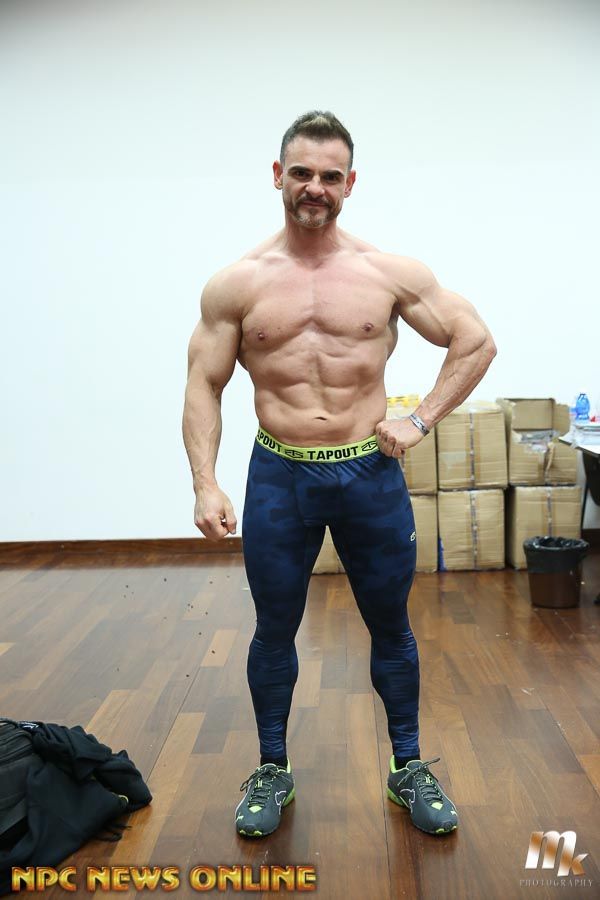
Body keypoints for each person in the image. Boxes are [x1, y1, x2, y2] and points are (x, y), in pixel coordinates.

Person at [182, 111, 497, 840]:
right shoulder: (236, 284)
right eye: (302, 173)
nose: (315, 188)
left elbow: (476, 342)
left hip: (369, 475)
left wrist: (420, 420)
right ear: (278, 176)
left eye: (330, 176)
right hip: (280, 477)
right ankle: (272, 768)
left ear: (350, 183)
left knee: (391, 625)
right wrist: (205, 482)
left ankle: (408, 766)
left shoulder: (388, 273)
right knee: (273, 630)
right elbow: (203, 383)